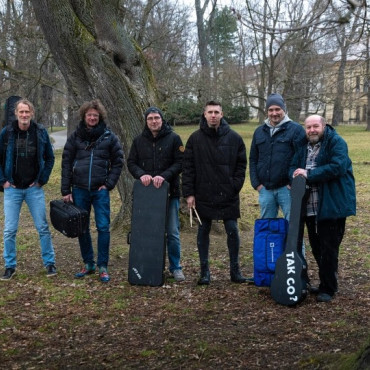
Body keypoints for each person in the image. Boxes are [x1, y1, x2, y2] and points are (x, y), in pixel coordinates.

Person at [290, 115, 356, 303]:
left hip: (331, 204)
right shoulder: (302, 145)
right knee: (316, 246)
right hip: (309, 205)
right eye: (308, 127)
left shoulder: (336, 142)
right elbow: (293, 167)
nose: (312, 130)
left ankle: (328, 287)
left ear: (324, 126)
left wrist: (308, 174)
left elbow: (338, 167)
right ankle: (325, 281)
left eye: (315, 126)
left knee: (329, 247)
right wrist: (293, 176)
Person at [182, 100, 247, 285]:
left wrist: (234, 185)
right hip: (203, 194)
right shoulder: (194, 139)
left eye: (216, 112)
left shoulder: (234, 138)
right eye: (209, 112)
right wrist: (189, 194)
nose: (213, 115)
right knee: (203, 230)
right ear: (204, 114)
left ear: (222, 114)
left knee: (232, 230)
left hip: (228, 194)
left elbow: (241, 165)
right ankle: (205, 272)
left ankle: (235, 271)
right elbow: (187, 168)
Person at [61, 99, 124, 283]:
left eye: (95, 115)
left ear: (100, 117)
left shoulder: (109, 137)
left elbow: (118, 161)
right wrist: (66, 189)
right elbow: (65, 162)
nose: (92, 118)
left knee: (103, 227)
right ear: (84, 116)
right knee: (82, 228)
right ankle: (88, 262)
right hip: (79, 189)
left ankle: (103, 265)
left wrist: (109, 184)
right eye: (89, 115)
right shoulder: (75, 137)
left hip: (100, 191)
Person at [0, 99, 57, 280]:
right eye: (21, 112)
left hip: (34, 189)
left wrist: (41, 180)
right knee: (9, 230)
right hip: (12, 189)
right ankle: (10, 266)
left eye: (27, 112)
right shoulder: (7, 133)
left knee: (42, 227)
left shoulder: (40, 132)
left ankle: (49, 263)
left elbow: (50, 158)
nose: (24, 115)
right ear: (16, 114)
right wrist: (3, 182)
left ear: (32, 113)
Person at [127, 107, 185, 282]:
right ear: (146, 121)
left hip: (170, 194)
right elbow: (131, 163)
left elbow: (180, 162)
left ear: (162, 119)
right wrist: (141, 174)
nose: (154, 121)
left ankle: (176, 267)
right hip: (146, 197)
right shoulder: (138, 141)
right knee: (146, 232)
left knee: (172, 232)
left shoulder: (174, 139)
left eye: (157, 118)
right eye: (150, 118)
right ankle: (149, 265)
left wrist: (164, 176)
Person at [249, 93, 306, 220]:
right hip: (265, 189)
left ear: (284, 109)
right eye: (271, 110)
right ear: (267, 111)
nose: (274, 113)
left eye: (277, 109)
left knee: (293, 228)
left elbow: (302, 158)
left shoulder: (296, 130)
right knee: (268, 228)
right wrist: (257, 184)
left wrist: (293, 183)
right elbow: (253, 159)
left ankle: (294, 242)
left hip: (287, 189)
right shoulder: (259, 131)